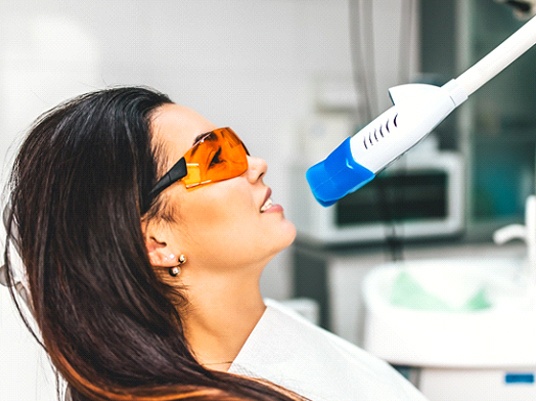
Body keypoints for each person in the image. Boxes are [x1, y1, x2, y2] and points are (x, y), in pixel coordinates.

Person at [2, 86, 428, 401]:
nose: (257, 166)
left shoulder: (260, 327)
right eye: (215, 156)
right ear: (155, 241)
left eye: (236, 145)